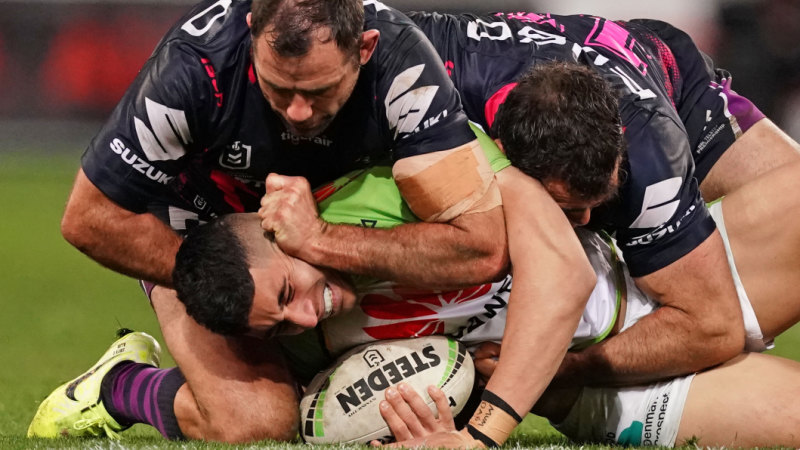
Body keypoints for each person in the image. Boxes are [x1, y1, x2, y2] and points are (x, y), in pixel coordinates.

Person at [31, 149, 800, 447]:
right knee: (251, 422)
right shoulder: (294, 332)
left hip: (635, 273)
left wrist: (485, 430)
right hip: (610, 388)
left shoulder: (390, 183)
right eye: (284, 316)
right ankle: (123, 385)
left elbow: (559, 267)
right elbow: (308, 413)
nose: (310, 313)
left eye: (296, 288)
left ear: (283, 220)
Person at [408, 11, 800, 388]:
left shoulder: (653, 151)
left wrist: (568, 370)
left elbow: (712, 324)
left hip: (675, 88)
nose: (586, 221)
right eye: (570, 208)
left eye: (598, 203)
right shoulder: (423, 71)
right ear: (501, 151)